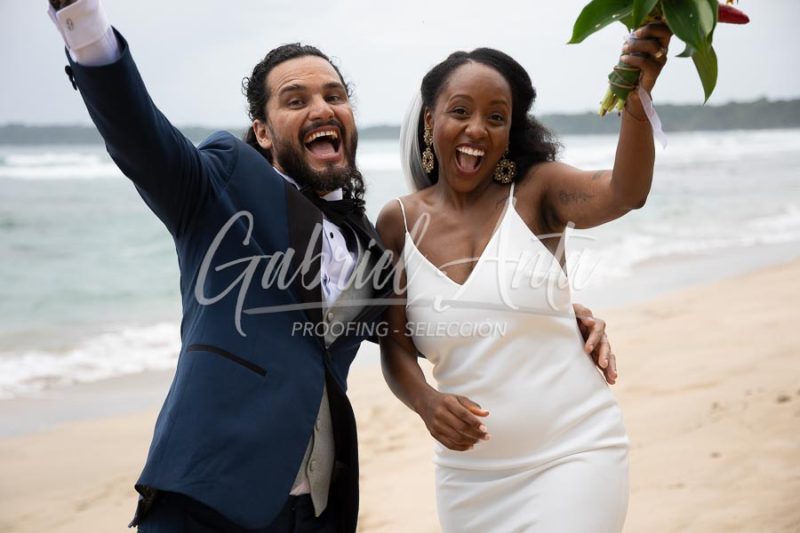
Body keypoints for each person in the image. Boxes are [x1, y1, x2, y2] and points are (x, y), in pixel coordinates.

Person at [47, 0, 619, 531]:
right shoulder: (216, 187)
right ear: (263, 133)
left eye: (334, 95)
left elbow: (421, 326)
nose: (321, 108)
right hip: (208, 496)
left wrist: (557, 312)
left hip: (318, 510)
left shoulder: (371, 244)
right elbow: (139, 135)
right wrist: (84, 23)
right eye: (296, 100)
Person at [376, 26, 671, 533]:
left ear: (511, 132)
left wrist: (637, 94)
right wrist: (426, 403)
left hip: (577, 451)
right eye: (460, 111)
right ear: (430, 121)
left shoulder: (538, 193)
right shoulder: (396, 225)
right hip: (470, 483)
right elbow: (394, 346)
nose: (476, 129)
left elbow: (625, 192)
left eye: (496, 118)